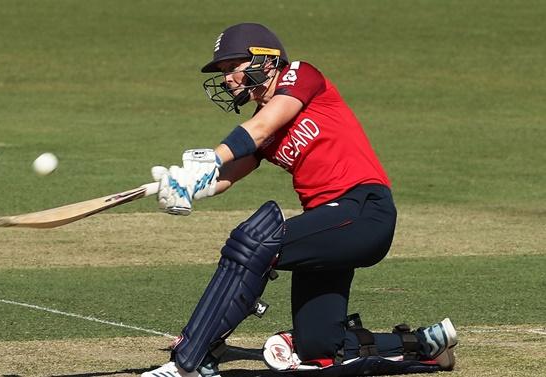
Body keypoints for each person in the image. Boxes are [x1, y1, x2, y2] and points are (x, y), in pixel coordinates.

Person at [142, 23, 458, 377]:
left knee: (254, 242)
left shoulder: (301, 76)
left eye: (233, 67)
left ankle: (193, 358)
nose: (228, 78)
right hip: (330, 228)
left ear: (266, 60)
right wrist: (183, 183)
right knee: (317, 350)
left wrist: (211, 158)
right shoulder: (263, 125)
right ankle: (425, 345)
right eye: (223, 71)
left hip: (364, 211)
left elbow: (257, 130)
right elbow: (223, 178)